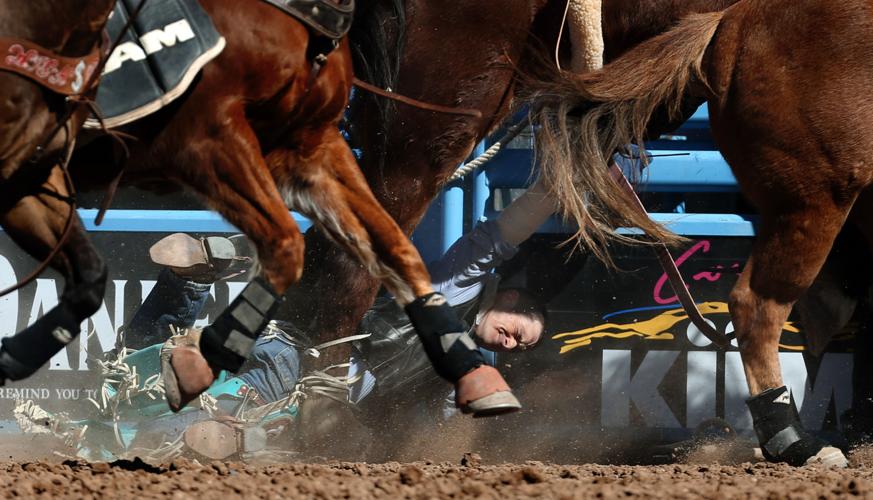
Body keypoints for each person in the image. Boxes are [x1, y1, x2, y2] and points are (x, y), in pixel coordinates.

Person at [103, 177, 557, 459]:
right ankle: (239, 441)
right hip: (302, 369)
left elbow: (439, 426)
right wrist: (551, 192)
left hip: (289, 350)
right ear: (509, 298)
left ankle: (191, 281)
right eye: (520, 332)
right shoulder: (459, 288)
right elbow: (502, 235)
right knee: (180, 418)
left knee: (137, 368)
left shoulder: (467, 372)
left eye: (520, 347)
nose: (512, 344)